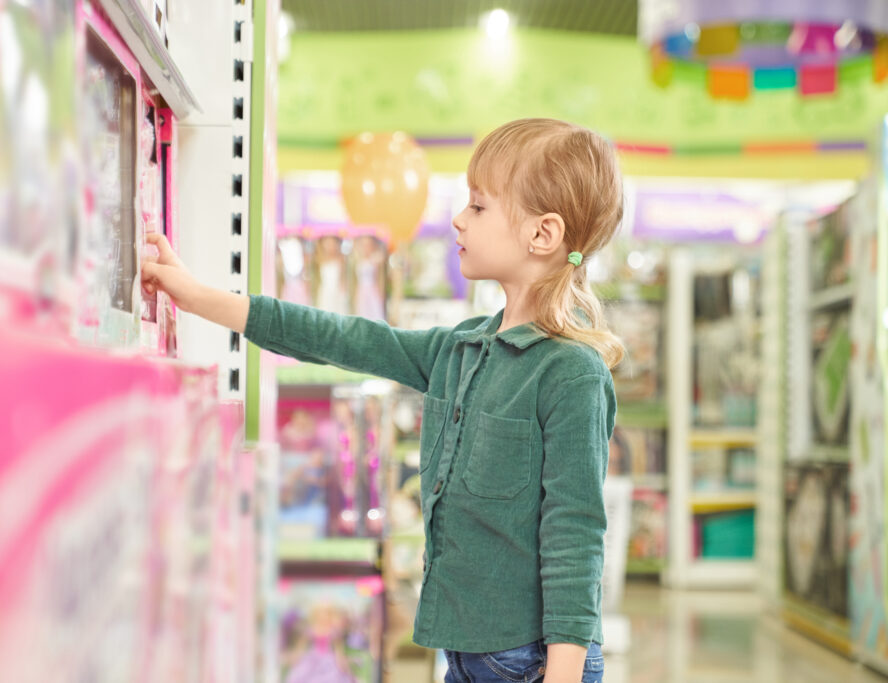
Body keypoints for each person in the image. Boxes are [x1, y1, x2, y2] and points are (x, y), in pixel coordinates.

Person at [141, 118, 624, 683]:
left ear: (542, 235)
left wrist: (562, 674)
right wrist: (198, 297)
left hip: (532, 663)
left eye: (478, 206)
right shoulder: (461, 350)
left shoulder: (571, 373)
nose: (457, 219)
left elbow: (575, 531)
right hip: (466, 654)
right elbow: (343, 337)